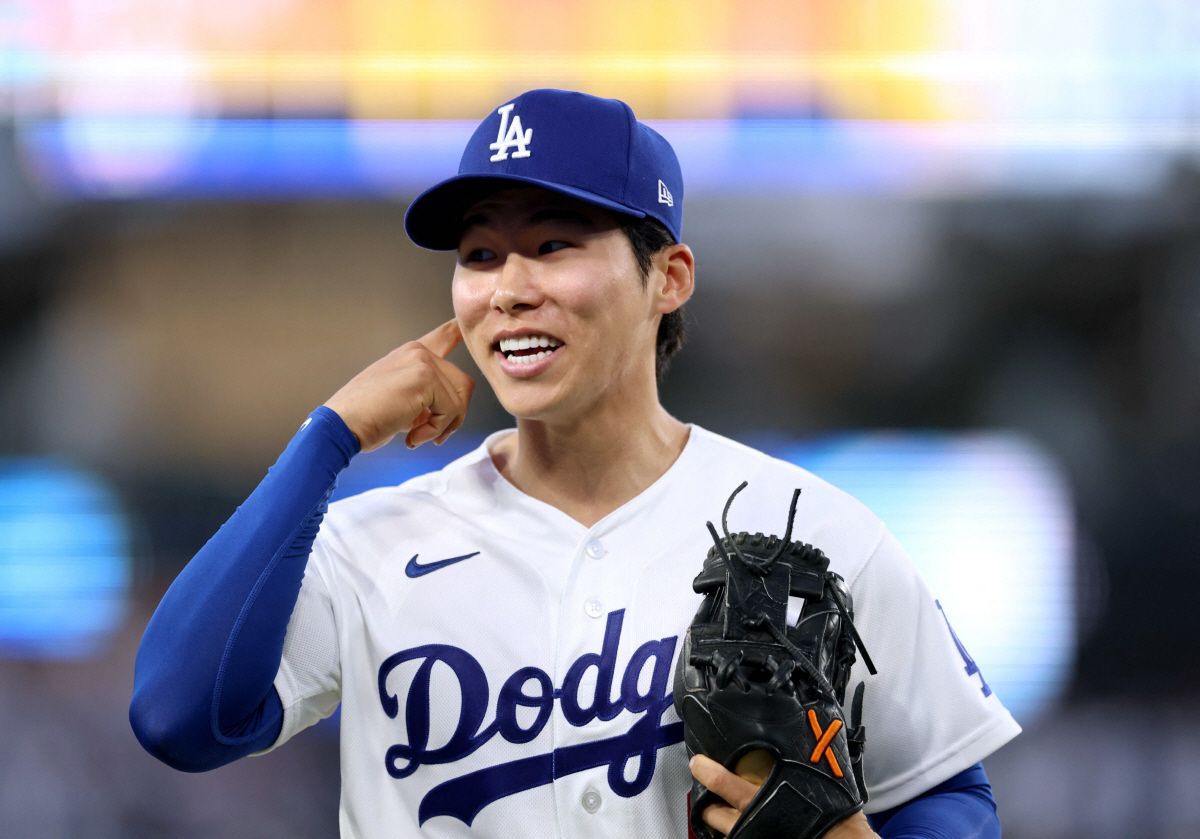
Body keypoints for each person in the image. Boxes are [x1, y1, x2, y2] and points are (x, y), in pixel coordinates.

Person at [130, 89, 1020, 839]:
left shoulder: (809, 529)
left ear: (667, 277)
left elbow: (949, 790)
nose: (510, 286)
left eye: (555, 244)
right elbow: (178, 715)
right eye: (480, 253)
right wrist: (325, 438)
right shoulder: (374, 540)